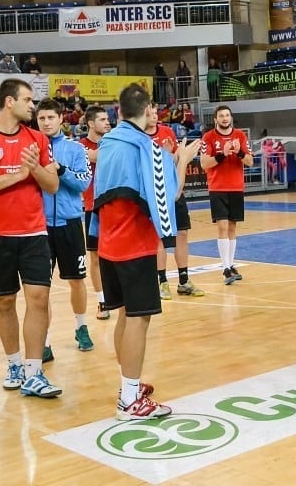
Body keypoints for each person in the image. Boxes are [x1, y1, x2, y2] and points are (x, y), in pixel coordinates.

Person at [90, 84, 199, 420]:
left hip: (108, 240)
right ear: (149, 110)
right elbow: (172, 195)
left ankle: (130, 386)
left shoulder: (107, 143)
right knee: (139, 318)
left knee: (125, 314)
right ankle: (128, 399)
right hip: (134, 243)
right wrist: (181, 160)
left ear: (119, 113)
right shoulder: (148, 149)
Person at [0, 78, 62, 397]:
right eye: (28, 100)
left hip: (34, 232)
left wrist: (34, 170)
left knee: (39, 299)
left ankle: (34, 373)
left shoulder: (37, 139)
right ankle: (14, 364)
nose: (33, 106)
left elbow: (52, 186)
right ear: (9, 102)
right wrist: (17, 175)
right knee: (4, 302)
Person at [35, 99, 94, 360]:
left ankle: (81, 326)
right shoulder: (30, 148)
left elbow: (83, 183)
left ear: (61, 119)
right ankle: (44, 340)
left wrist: (61, 170)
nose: (46, 122)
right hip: (39, 227)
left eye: (50, 117)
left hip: (70, 223)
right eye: (42, 118)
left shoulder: (75, 149)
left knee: (76, 280)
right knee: (40, 287)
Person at [145, 103, 205, 299]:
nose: (154, 117)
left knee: (182, 234)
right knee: (159, 238)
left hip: (175, 188)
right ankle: (161, 282)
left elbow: (177, 159)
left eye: (155, 113)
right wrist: (165, 156)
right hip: (155, 193)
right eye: (150, 114)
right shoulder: (140, 137)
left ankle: (184, 280)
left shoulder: (167, 131)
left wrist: (178, 155)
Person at [200, 105, 254, 284]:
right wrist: (221, 155)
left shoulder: (240, 136)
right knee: (222, 226)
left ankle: (231, 265)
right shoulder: (208, 137)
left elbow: (250, 162)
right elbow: (204, 163)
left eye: (227, 115)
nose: (225, 118)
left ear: (231, 117)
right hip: (217, 188)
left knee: (232, 227)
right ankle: (224, 268)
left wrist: (238, 152)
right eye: (221, 116)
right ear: (215, 119)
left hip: (236, 187)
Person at [79, 105, 111, 320]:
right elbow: (94, 156)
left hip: (115, 207)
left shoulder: (112, 142)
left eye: (108, 119)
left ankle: (119, 295)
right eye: (102, 119)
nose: (107, 122)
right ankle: (102, 301)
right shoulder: (80, 146)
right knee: (96, 257)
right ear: (90, 123)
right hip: (93, 208)